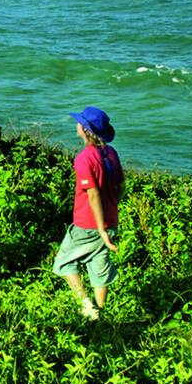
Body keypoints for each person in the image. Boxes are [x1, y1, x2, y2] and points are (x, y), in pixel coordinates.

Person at [52, 106, 123, 321]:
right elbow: (121, 185)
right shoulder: (111, 153)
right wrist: (110, 213)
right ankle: (100, 316)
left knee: (63, 263)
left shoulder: (84, 158)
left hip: (88, 223)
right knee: (99, 266)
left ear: (84, 129)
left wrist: (100, 228)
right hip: (111, 220)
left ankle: (87, 306)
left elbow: (92, 194)